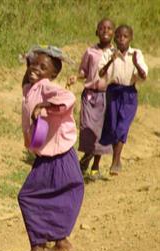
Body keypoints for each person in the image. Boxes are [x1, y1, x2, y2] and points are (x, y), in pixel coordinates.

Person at [15, 45, 84, 251]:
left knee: (28, 197)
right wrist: (31, 64)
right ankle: (61, 241)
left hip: (58, 156)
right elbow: (26, 83)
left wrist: (43, 106)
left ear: (53, 74)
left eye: (42, 67)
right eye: (33, 64)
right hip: (50, 155)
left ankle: (38, 248)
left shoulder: (45, 87)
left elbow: (68, 98)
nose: (35, 68)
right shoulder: (31, 87)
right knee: (56, 194)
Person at [67, 18, 115, 180]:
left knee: (101, 132)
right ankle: (87, 157)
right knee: (87, 128)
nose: (105, 31)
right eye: (102, 28)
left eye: (109, 28)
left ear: (113, 33)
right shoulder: (90, 52)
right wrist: (76, 77)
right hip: (89, 95)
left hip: (106, 96)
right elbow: (84, 71)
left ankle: (94, 165)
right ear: (97, 32)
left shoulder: (115, 54)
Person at [98, 25, 148, 175]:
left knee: (123, 125)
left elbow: (144, 76)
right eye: (118, 36)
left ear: (131, 38)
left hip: (129, 93)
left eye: (125, 36)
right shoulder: (109, 53)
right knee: (113, 126)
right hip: (113, 91)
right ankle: (117, 160)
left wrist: (136, 63)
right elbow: (100, 73)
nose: (121, 39)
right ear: (115, 38)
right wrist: (110, 62)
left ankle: (115, 160)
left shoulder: (136, 53)